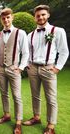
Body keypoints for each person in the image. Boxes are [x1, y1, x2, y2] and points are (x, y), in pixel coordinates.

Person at [22, 5, 69, 134]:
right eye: (38, 15)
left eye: (43, 14)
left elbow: (64, 52)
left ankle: (51, 125)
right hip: (33, 68)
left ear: (48, 15)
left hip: (48, 68)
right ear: (34, 18)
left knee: (51, 98)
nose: (40, 17)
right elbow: (27, 52)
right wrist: (27, 64)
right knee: (35, 96)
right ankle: (36, 117)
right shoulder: (30, 35)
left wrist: (57, 68)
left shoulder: (58, 31)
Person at [0, 8, 29, 134]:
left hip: (14, 69)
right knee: (4, 94)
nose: (6, 20)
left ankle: (18, 122)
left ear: (12, 17)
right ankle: (6, 115)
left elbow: (25, 53)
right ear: (1, 20)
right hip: (0, 69)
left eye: (8, 17)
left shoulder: (21, 33)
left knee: (17, 96)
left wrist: (20, 68)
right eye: (3, 18)